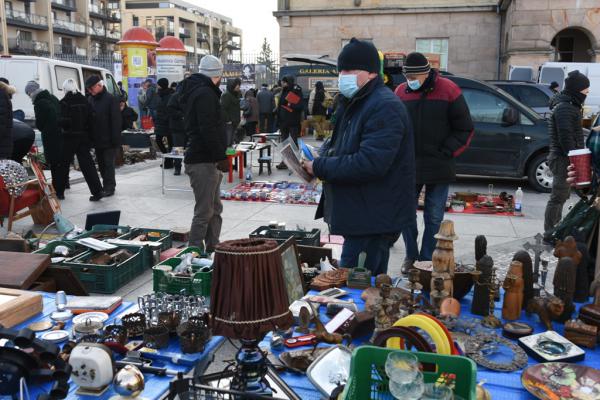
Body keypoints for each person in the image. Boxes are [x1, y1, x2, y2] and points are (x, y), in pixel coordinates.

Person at [301, 38, 415, 276]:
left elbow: (370, 163)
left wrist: (320, 166)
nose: (343, 75)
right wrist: (322, 155)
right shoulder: (356, 102)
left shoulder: (384, 106)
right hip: (361, 214)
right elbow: (344, 145)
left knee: (357, 286)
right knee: (359, 285)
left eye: (350, 70)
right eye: (341, 70)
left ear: (372, 73)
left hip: (371, 219)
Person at [395, 52, 474, 273]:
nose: (410, 80)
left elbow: (465, 128)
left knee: (434, 215)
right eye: (407, 76)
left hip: (439, 164)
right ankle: (411, 256)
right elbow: (393, 127)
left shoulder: (449, 89)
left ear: (427, 73)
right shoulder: (401, 92)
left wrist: (447, 150)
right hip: (409, 166)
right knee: (405, 214)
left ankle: (426, 258)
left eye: (414, 76)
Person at [179, 55, 229, 252]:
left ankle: (213, 247)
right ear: (217, 75)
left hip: (207, 159)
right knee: (204, 211)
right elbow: (207, 128)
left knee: (215, 209)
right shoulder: (205, 94)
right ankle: (194, 252)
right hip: (202, 160)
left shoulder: (196, 90)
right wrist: (220, 156)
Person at [544, 70, 590, 235]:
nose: (587, 93)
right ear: (577, 89)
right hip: (563, 159)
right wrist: (575, 159)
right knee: (558, 197)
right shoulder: (565, 107)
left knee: (562, 196)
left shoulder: (569, 105)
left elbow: (573, 132)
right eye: (585, 90)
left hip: (565, 158)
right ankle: (551, 232)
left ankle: (555, 229)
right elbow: (565, 137)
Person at [58, 78, 104, 201]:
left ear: (65, 89)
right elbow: (92, 120)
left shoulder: (63, 102)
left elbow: (62, 121)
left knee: (64, 164)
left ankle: (60, 192)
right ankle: (97, 191)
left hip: (69, 137)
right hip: (83, 137)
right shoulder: (85, 101)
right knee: (88, 165)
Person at [25, 80, 64, 197]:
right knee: (60, 162)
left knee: (54, 162)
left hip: (50, 137)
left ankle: (58, 190)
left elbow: (40, 124)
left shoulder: (39, 103)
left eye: (28, 94)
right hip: (61, 134)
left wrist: (44, 127)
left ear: (31, 92)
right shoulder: (52, 97)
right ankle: (62, 186)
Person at [86, 75, 122, 197]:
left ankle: (110, 187)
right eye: (88, 90)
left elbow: (116, 121)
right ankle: (105, 185)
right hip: (97, 139)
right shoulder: (91, 99)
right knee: (101, 165)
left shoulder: (110, 99)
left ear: (99, 85)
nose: (90, 92)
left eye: (91, 89)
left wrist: (115, 140)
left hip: (109, 139)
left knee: (108, 165)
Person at [276, 75, 303, 169]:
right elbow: (280, 105)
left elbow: (299, 106)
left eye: (284, 82)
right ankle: (285, 162)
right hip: (283, 122)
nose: (282, 84)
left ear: (288, 82)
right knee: (284, 143)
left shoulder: (296, 91)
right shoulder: (283, 91)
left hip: (293, 122)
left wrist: (289, 103)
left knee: (293, 142)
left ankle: (296, 162)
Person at [154, 78, 174, 169]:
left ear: (162, 85)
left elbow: (170, 109)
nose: (157, 86)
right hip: (159, 121)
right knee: (158, 139)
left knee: (170, 142)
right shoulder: (159, 94)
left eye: (158, 84)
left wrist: (165, 117)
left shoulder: (170, 95)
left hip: (167, 122)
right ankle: (167, 158)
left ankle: (169, 161)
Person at [168, 82, 186, 176]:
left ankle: (188, 166)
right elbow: (170, 110)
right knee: (178, 148)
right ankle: (177, 167)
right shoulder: (175, 96)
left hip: (187, 127)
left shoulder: (189, 96)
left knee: (188, 148)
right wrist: (181, 115)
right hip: (177, 127)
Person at [220, 77, 241, 146]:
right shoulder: (226, 95)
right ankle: (226, 155)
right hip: (229, 123)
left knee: (231, 141)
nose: (238, 86)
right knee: (228, 141)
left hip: (235, 121)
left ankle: (230, 155)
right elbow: (223, 109)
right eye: (236, 84)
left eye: (238, 84)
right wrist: (228, 120)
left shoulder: (235, 94)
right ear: (232, 85)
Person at [0, 78, 15, 159]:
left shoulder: (1, 96)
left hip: (2, 146)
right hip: (4, 145)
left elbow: (1, 123)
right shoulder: (4, 96)